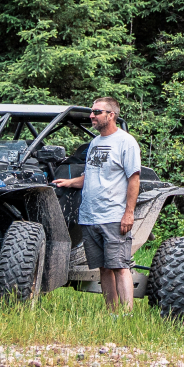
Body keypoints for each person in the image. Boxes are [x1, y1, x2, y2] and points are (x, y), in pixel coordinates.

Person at [52, 96, 142, 313]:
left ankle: (127, 315)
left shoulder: (126, 142)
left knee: (120, 266)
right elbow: (91, 175)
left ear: (111, 115)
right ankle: (111, 314)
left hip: (113, 216)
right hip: (90, 216)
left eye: (96, 112)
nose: (91, 115)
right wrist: (70, 182)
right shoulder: (94, 143)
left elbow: (134, 179)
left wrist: (129, 213)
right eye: (92, 112)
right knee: (103, 268)